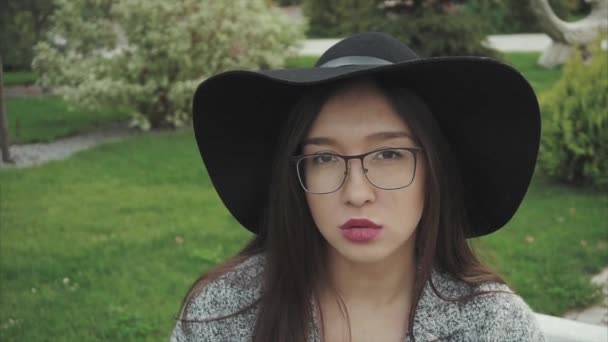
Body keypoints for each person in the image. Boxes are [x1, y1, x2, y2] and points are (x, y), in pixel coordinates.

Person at [170, 32, 544, 341]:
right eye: (326, 159)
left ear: (436, 170)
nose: (357, 193)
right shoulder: (223, 314)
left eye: (388, 155)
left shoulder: (494, 327)